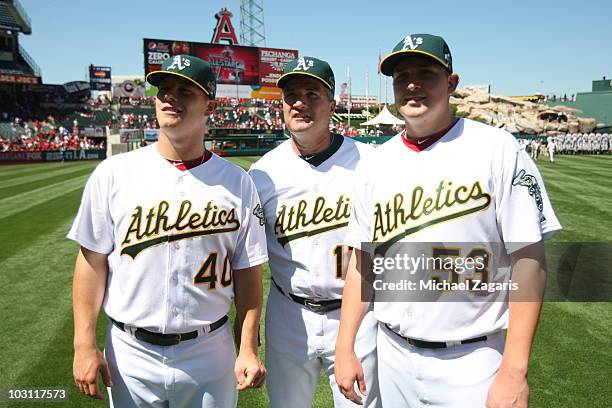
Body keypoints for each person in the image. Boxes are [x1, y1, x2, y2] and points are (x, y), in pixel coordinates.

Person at [334, 34, 561, 408]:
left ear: (452, 83)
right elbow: (363, 264)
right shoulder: (374, 163)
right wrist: (345, 347)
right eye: (401, 75)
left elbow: (529, 261)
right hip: (392, 354)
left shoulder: (498, 148)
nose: (412, 83)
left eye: (426, 73)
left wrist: (515, 370)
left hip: (472, 361)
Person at [69, 55, 268, 408]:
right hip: (130, 353)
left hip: (210, 349)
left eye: (184, 90)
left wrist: (248, 347)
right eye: (164, 89)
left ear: (210, 105)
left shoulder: (237, 182)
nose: (170, 97)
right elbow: (91, 263)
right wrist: (84, 343)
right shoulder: (113, 173)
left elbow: (248, 273)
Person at [249, 57, 380, 408]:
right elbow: (243, 258)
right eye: (291, 95)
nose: (300, 103)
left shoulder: (371, 163)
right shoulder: (262, 175)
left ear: (332, 105)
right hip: (288, 312)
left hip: (357, 314)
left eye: (312, 94)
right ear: (282, 105)